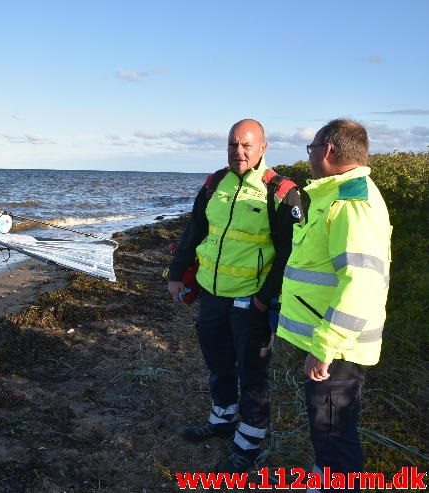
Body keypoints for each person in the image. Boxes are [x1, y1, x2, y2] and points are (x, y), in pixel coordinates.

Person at [167, 119, 302, 472]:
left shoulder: (281, 191)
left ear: (263, 148)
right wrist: (175, 275)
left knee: (253, 374)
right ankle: (223, 420)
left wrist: (263, 299)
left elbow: (289, 252)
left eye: (246, 145)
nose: (238, 152)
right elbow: (194, 230)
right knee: (218, 362)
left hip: (251, 302)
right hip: (212, 294)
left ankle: (248, 443)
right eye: (232, 144)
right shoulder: (215, 183)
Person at [277, 120, 391, 492]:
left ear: (327, 150)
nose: (307, 154)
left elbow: (361, 282)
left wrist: (324, 346)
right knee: (328, 430)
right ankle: (325, 475)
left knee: (335, 432)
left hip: (338, 348)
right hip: (333, 342)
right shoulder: (334, 195)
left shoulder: (351, 202)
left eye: (310, 147)